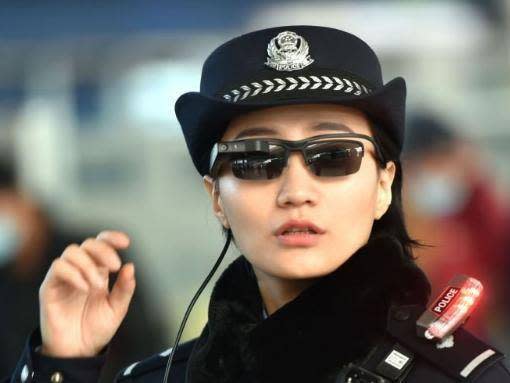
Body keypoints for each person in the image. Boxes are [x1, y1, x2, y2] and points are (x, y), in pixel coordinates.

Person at [3, 25, 510, 383]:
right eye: (253, 161)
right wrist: (64, 364)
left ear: (383, 185)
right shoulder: (159, 379)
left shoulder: (464, 376)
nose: (296, 190)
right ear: (215, 198)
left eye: (333, 156)